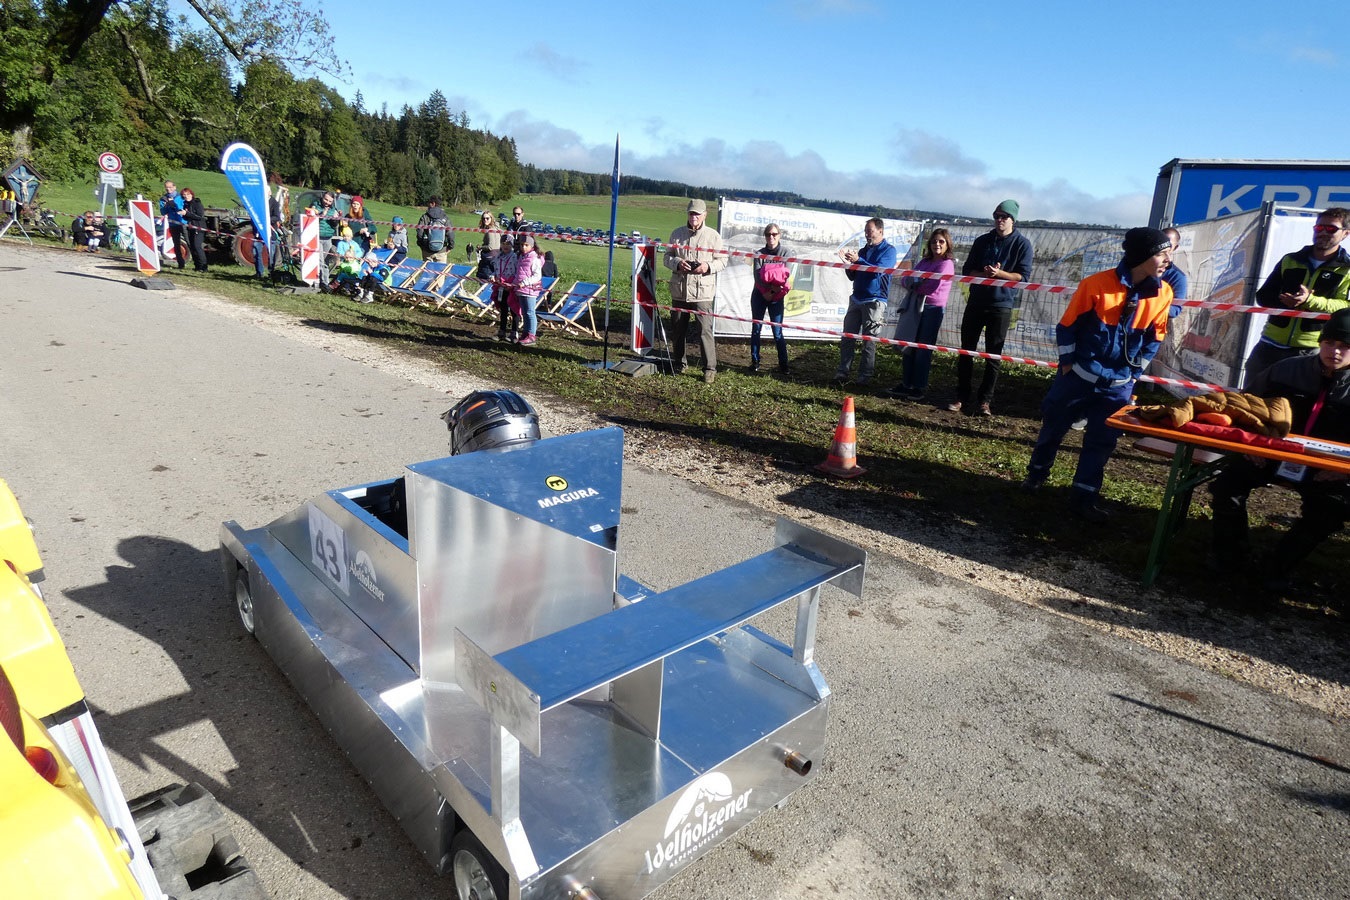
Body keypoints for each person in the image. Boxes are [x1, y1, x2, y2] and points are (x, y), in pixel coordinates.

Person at [1021, 227, 1174, 522]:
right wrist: (1068, 365)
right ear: (1142, 256)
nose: (1168, 259)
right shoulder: (1095, 284)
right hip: (1077, 379)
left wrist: (1133, 375)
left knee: (1102, 442)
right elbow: (1067, 327)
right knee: (1053, 427)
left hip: (1117, 386)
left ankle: (1084, 498)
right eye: (1162, 253)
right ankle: (1036, 475)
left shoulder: (1163, 293)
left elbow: (1155, 338)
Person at [1209, 307, 1350, 591]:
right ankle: (1232, 559)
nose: (1334, 351)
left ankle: (1274, 569)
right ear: (1320, 341)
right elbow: (1245, 407)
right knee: (1226, 487)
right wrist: (1251, 445)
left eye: (1345, 346)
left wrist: (1344, 472)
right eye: (1329, 342)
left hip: (1328, 468)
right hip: (1270, 455)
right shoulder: (1285, 369)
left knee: (1331, 511)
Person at [1242, 208, 1350, 387]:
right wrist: (1286, 301)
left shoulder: (1347, 269)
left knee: (1293, 401)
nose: (1323, 232)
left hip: (1309, 349)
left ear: (1345, 233)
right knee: (1248, 396)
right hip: (1269, 343)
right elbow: (1263, 296)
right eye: (1319, 228)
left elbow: (1345, 307)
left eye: (1331, 229)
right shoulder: (1290, 259)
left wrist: (1310, 301)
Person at [948, 199, 1034, 416]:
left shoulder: (1022, 244)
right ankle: (961, 396)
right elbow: (968, 270)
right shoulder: (982, 241)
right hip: (976, 302)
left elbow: (1022, 277)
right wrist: (985, 274)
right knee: (966, 350)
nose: (999, 220)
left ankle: (985, 400)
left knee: (993, 355)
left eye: (1004, 217)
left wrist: (999, 274)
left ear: (1013, 220)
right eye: (996, 216)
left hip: (1001, 305)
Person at [885, 228, 955, 400]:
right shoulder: (924, 261)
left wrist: (915, 284)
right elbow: (905, 279)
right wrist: (916, 282)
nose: (937, 244)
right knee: (908, 345)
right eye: (934, 241)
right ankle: (906, 384)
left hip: (932, 310)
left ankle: (919, 387)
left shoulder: (946, 264)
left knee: (923, 349)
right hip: (915, 306)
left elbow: (931, 287)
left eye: (941, 241)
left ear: (947, 244)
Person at [663, 198, 727, 384]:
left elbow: (723, 261)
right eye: (691, 213)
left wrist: (707, 266)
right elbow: (666, 257)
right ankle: (679, 363)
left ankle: (709, 368)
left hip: (702, 293)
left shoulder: (713, 236)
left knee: (704, 331)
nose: (694, 217)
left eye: (697, 214)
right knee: (678, 329)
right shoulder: (676, 234)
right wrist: (677, 263)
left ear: (705, 215)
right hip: (680, 290)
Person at [835, 217, 897, 387]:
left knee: (869, 340)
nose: (867, 234)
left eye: (870, 231)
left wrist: (858, 261)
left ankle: (865, 376)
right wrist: (848, 264)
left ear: (880, 231)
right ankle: (843, 371)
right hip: (856, 298)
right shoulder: (862, 251)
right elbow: (853, 276)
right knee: (848, 336)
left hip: (875, 300)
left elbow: (878, 272)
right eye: (865, 231)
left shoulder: (889, 251)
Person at [749, 223, 792, 375]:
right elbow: (757, 276)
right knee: (756, 329)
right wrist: (767, 289)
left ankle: (783, 364)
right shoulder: (759, 253)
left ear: (779, 235)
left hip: (776, 297)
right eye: (768, 234)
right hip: (759, 295)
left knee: (777, 331)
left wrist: (772, 291)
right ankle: (755, 361)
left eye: (774, 234)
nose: (771, 237)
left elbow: (785, 277)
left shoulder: (786, 252)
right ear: (765, 236)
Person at [513, 234, 544, 347]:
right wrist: (514, 284)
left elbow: (537, 276)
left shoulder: (534, 258)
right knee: (525, 313)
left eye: (526, 245)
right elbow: (518, 273)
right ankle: (525, 333)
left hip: (530, 290)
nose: (523, 247)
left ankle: (532, 335)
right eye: (522, 245)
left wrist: (524, 283)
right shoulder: (521, 257)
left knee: (530, 312)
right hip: (521, 289)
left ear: (532, 246)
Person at [494, 234, 519, 342]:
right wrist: (494, 276)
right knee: (503, 309)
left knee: (514, 310)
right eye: (503, 243)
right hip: (501, 286)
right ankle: (502, 331)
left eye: (508, 244)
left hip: (511, 287)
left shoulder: (515, 257)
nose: (505, 246)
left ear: (512, 245)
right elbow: (496, 270)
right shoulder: (498, 257)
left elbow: (518, 272)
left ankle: (514, 332)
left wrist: (512, 284)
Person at [1162, 227, 1188, 319]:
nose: (1164, 247)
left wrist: (1154, 304)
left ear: (1175, 247)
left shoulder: (1177, 276)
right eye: (1161, 243)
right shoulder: (1140, 267)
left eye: (1168, 245)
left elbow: (1175, 309)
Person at [160, 180, 187, 269]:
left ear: (174, 187)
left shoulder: (181, 197)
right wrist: (166, 206)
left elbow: (182, 209)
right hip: (173, 224)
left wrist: (173, 204)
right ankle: (181, 263)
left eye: (170, 187)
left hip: (183, 223)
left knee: (189, 242)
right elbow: (163, 212)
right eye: (167, 188)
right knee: (176, 244)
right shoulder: (163, 199)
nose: (168, 189)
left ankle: (197, 264)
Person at [416, 196, 453, 262]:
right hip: (441, 250)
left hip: (427, 250)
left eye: (429, 203)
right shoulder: (445, 217)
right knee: (441, 269)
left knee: (427, 268)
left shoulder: (425, 217)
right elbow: (450, 233)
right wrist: (450, 246)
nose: (427, 205)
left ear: (433, 203)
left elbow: (419, 232)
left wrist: (421, 245)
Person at [180, 188, 208, 271]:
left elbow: (199, 216)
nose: (186, 196)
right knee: (192, 247)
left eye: (188, 194)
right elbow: (187, 217)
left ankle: (204, 267)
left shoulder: (197, 203)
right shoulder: (186, 204)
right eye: (184, 195)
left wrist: (187, 213)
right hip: (191, 228)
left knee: (197, 247)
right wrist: (183, 214)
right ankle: (197, 266)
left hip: (199, 228)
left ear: (192, 195)